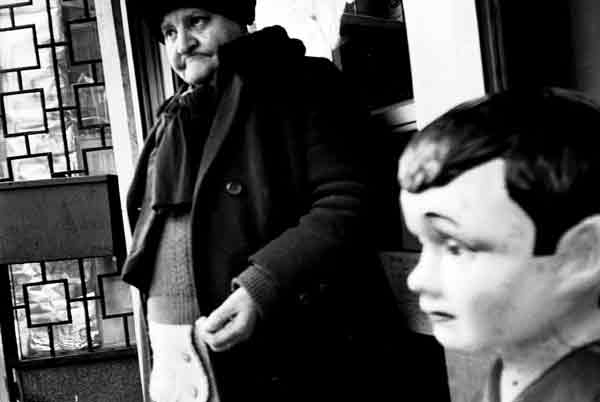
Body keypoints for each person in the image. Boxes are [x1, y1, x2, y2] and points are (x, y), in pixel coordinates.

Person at [121, 1, 446, 401]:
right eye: (169, 33)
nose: (182, 44)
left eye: (197, 22)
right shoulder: (175, 116)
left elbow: (347, 202)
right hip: (186, 363)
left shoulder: (304, 83)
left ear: (238, 20)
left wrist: (261, 287)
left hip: (295, 353)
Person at [398, 87, 600, 402]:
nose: (417, 279)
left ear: (582, 256)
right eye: (423, 242)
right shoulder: (511, 376)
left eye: (455, 247)